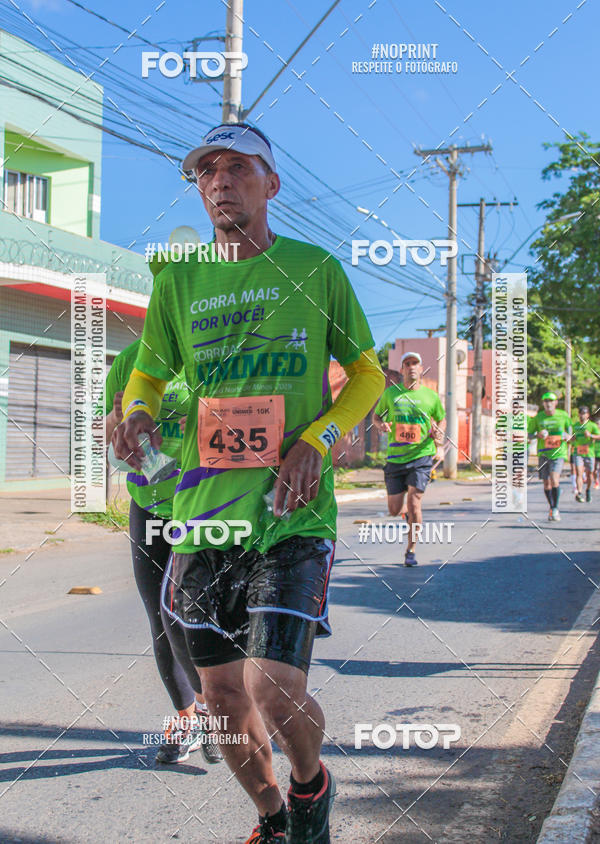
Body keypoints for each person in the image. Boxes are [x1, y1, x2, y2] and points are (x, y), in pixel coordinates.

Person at [112, 122, 385, 843]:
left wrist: (317, 439)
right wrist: (136, 412)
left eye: (237, 168)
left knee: (274, 687)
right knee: (222, 696)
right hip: (204, 519)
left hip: (289, 516)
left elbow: (367, 374)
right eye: (207, 173)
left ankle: (309, 789)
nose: (220, 181)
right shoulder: (179, 282)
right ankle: (271, 818)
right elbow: (146, 373)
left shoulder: (316, 269)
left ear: (271, 184)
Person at [104, 337, 222, 766]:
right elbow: (108, 439)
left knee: (195, 615)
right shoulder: (130, 360)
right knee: (160, 615)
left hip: (206, 506)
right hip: (150, 505)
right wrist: (119, 418)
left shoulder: (210, 348)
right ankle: (189, 717)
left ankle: (218, 710)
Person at [372, 353, 445, 567]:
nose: (412, 367)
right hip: (395, 458)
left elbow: (441, 417)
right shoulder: (391, 394)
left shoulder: (430, 397)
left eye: (415, 363)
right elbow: (376, 417)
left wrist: (438, 434)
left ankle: (410, 550)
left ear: (421, 368)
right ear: (402, 369)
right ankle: (406, 515)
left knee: (414, 502)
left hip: (422, 456)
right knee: (394, 510)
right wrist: (380, 425)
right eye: (407, 364)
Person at [527, 392, 572, 521]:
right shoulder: (538, 417)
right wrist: (537, 435)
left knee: (554, 479)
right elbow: (529, 435)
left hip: (558, 453)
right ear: (543, 403)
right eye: (545, 401)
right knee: (546, 484)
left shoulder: (563, 416)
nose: (548, 403)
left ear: (556, 403)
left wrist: (568, 437)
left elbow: (571, 434)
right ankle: (551, 507)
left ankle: (555, 508)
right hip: (543, 453)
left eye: (551, 401)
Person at [569, 405, 600, 503]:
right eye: (580, 413)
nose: (582, 415)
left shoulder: (592, 425)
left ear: (587, 415)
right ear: (578, 414)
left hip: (589, 453)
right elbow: (573, 437)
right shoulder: (576, 425)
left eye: (584, 413)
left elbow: (599, 436)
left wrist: (590, 435)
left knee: (590, 473)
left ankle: (588, 490)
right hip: (578, 452)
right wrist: (571, 439)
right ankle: (579, 492)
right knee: (579, 472)